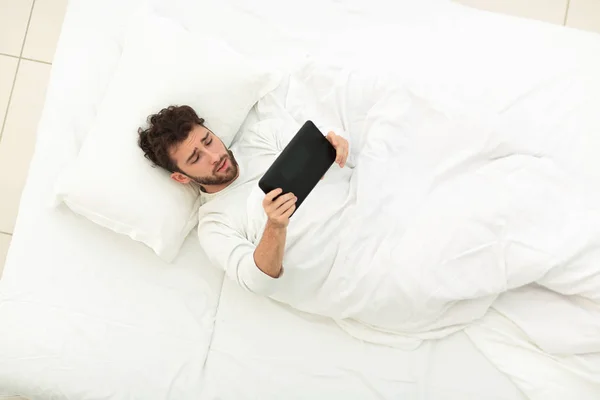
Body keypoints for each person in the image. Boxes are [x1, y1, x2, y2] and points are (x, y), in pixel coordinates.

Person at [138, 105, 351, 300]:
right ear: (182, 177)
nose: (213, 156)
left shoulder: (263, 135)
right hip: (348, 271)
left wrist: (334, 144)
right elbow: (258, 282)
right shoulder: (214, 224)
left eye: (208, 141)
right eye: (196, 159)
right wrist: (275, 226)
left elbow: (333, 145)